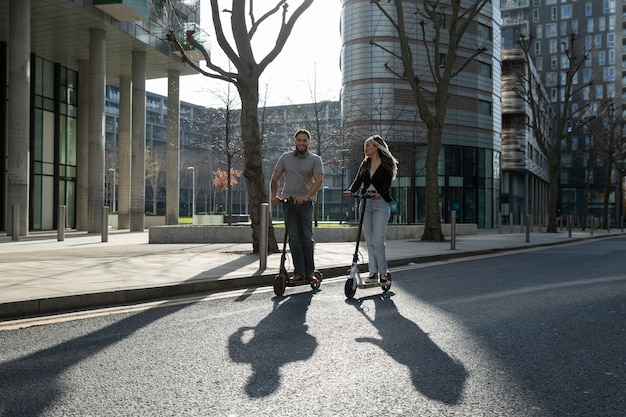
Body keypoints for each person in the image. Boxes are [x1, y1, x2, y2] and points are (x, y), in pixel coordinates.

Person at [271, 128, 324, 284]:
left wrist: (307, 197)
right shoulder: (285, 158)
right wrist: (273, 196)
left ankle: (309, 272)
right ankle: (298, 272)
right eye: (299, 140)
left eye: (304, 140)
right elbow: (275, 178)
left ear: (309, 142)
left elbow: (318, 181)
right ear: (294, 141)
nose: (301, 143)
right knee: (293, 238)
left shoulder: (315, 159)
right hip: (289, 202)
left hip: (306, 204)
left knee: (306, 238)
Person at [344, 134, 398, 283]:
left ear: (376, 146)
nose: (365, 148)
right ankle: (373, 272)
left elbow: (387, 184)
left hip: (380, 203)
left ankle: (383, 272)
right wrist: (351, 191)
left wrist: (380, 194)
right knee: (369, 240)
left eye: (368, 145)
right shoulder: (365, 163)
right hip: (366, 202)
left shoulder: (387, 163)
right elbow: (358, 179)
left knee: (378, 240)